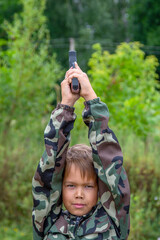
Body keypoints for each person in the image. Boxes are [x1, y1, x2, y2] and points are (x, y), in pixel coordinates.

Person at [32, 63, 130, 240]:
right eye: (71, 185)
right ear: (60, 187)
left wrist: (91, 98)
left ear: (100, 189)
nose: (79, 194)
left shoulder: (113, 224)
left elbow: (111, 170)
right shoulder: (47, 223)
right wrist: (66, 105)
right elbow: (48, 172)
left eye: (88, 186)